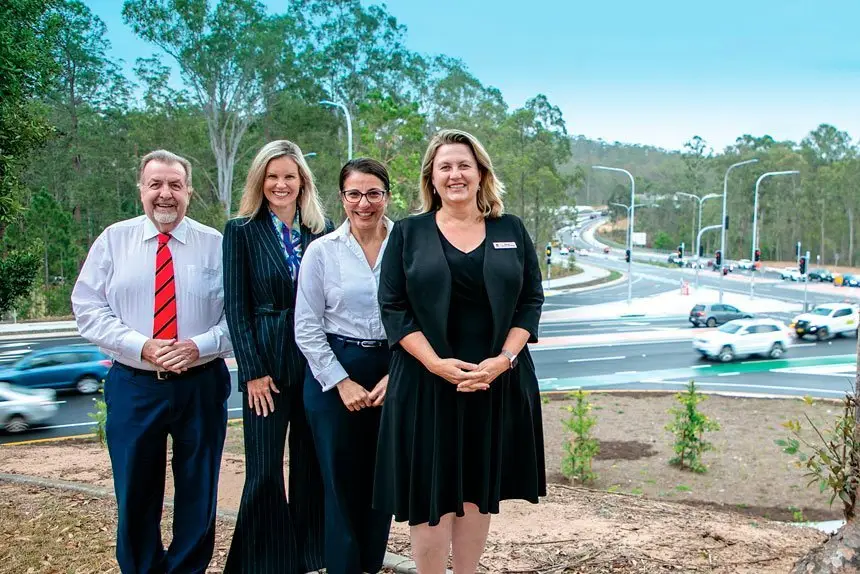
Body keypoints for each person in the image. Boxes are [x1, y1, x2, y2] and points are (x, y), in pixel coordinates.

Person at [374, 129, 546, 573]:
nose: (455, 174)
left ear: (481, 173)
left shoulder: (511, 229)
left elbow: (531, 300)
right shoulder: (408, 232)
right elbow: (393, 306)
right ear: (431, 178)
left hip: (493, 382)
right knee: (429, 495)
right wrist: (435, 364)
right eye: (445, 166)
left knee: (475, 492)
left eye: (464, 165)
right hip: (425, 383)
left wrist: (504, 360)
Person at [72, 150, 233, 574]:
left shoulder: (216, 245)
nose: (166, 194)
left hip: (201, 383)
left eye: (175, 185)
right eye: (156, 184)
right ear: (141, 189)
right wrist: (140, 345)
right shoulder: (114, 240)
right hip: (135, 384)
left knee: (199, 488)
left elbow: (238, 317)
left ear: (189, 191)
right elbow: (87, 308)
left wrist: (199, 345)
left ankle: (187, 569)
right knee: (135, 489)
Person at [222, 139, 332, 574]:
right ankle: (263, 563)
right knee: (265, 469)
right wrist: (251, 372)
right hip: (265, 367)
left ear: (302, 180)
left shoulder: (320, 230)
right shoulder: (241, 231)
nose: (281, 184)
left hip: (314, 364)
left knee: (310, 465)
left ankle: (310, 556)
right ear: (260, 181)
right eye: (272, 176)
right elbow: (237, 308)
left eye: (289, 176)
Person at [294, 158, 394, 574]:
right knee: (339, 481)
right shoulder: (322, 250)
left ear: (387, 196)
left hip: (394, 367)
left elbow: (424, 316)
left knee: (383, 477)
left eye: (373, 193)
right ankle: (343, 566)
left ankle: (370, 564)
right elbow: (306, 326)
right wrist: (341, 382)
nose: (364, 203)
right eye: (354, 194)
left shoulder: (407, 244)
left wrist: (398, 375)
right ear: (342, 197)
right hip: (335, 368)